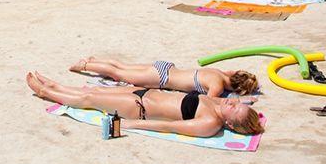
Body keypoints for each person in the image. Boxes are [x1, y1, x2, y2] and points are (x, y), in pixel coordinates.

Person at [25, 72, 263, 138]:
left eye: (235, 110)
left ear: (230, 124)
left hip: (138, 106)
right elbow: (242, 98)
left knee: (88, 100)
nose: (232, 105)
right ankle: (56, 85)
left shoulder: (210, 123)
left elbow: (171, 128)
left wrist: (132, 124)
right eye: (236, 104)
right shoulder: (220, 103)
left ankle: (45, 92)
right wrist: (247, 101)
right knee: (95, 90)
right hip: (147, 92)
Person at [69, 57, 259, 98]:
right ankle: (84, 65)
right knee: (119, 74)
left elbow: (234, 72)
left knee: (123, 67)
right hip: (161, 78)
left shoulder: (219, 73)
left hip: (167, 67)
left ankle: (93, 60)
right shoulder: (217, 85)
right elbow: (209, 103)